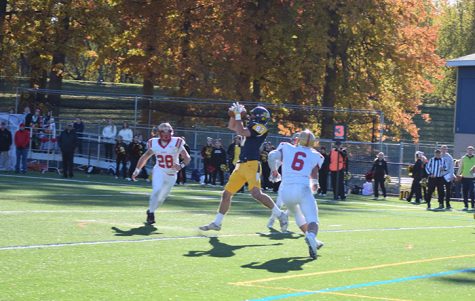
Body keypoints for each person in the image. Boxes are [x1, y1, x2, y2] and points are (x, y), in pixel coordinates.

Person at [199, 103, 288, 232]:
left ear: (259, 117)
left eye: (252, 115)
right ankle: (217, 222)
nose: (250, 117)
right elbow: (232, 126)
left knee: (256, 193)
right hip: (241, 165)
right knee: (226, 194)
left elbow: (241, 131)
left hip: (252, 164)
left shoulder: (262, 128)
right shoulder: (252, 125)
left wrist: (238, 115)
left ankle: (280, 215)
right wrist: (233, 115)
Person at [267, 129, 324, 259]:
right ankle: (311, 237)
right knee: (312, 220)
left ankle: (313, 241)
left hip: (286, 191)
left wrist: (274, 171)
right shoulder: (316, 155)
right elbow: (314, 174)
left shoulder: (287, 148)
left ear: (298, 139)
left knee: (297, 214)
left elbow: (271, 156)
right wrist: (315, 183)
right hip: (303, 189)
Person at [131, 123, 191, 225]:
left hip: (172, 175)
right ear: (159, 133)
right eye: (164, 130)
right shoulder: (153, 143)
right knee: (156, 190)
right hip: (160, 170)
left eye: (169, 130)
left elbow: (187, 157)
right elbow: (145, 157)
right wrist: (137, 170)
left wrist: (181, 165)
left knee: (161, 199)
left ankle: (151, 209)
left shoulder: (177, 142)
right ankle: (151, 214)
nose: (167, 133)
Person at [457, 146, 475, 211]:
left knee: (472, 192)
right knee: (465, 192)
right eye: (469, 150)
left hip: (472, 178)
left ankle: (473, 206)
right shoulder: (463, 158)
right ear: (467, 151)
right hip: (464, 177)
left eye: (471, 150)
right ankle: (466, 206)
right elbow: (461, 167)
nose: (470, 151)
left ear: (473, 151)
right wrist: (458, 175)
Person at [440, 145, 454, 210]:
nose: (444, 150)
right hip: (440, 176)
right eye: (443, 149)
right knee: (441, 191)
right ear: (441, 149)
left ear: (447, 150)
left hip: (448, 176)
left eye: (445, 149)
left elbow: (451, 167)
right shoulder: (439, 156)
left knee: (448, 191)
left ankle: (448, 204)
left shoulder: (449, 157)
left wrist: (451, 176)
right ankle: (441, 204)